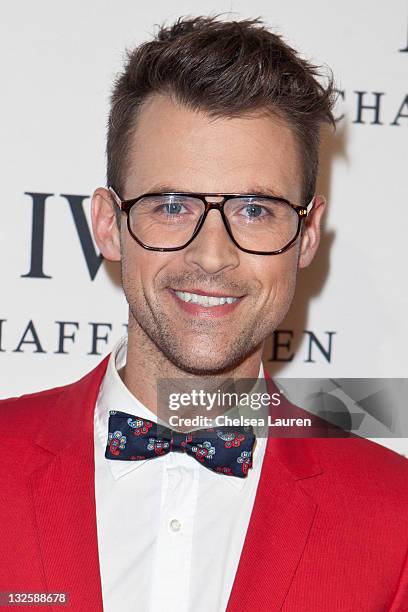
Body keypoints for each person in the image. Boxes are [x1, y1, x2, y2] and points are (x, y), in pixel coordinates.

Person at [0, 15, 407, 612]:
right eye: (170, 205)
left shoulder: (393, 519)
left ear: (308, 235)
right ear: (109, 224)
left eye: (254, 210)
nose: (212, 256)